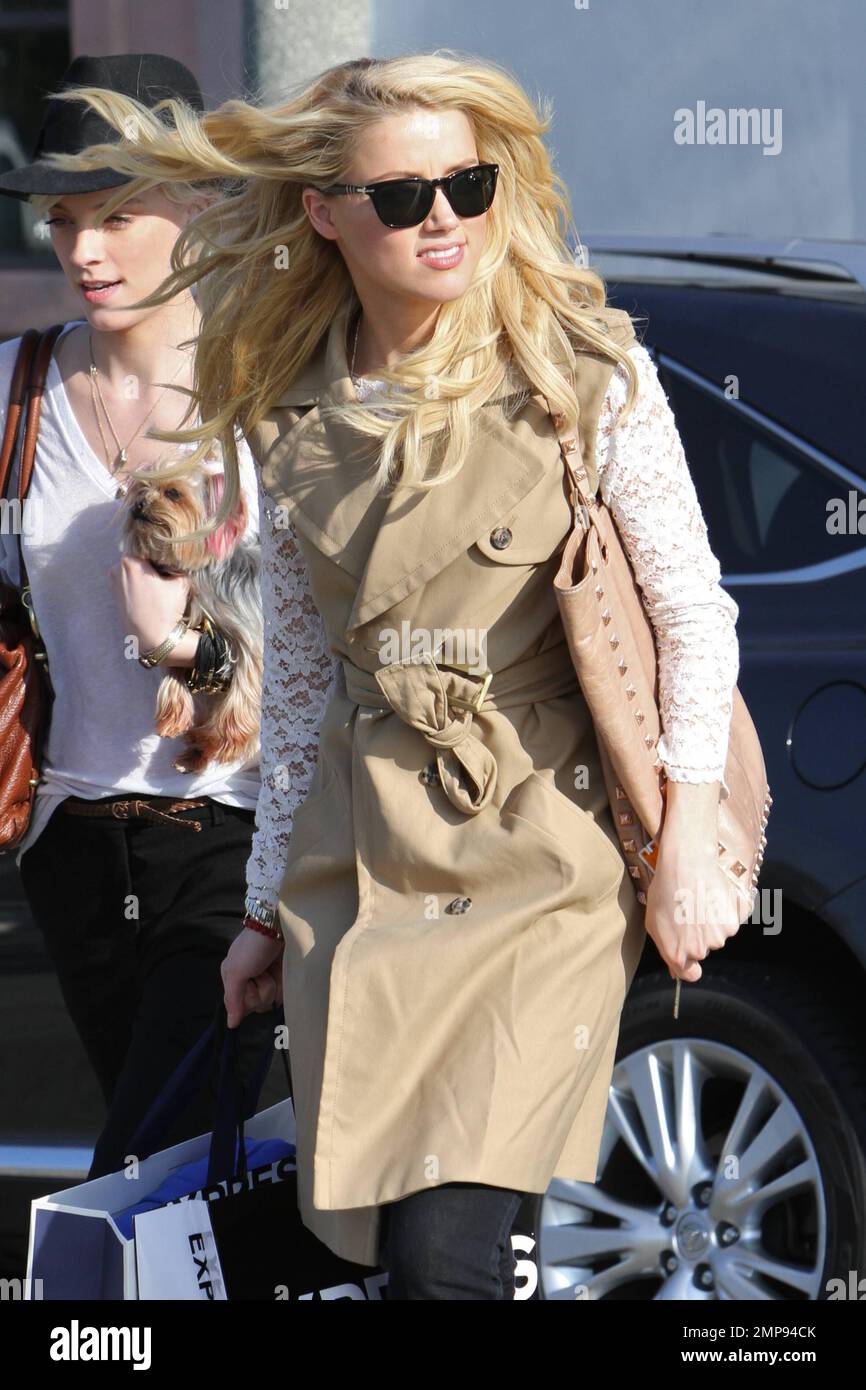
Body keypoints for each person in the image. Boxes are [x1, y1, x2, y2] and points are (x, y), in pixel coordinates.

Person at [53, 51, 743, 1299]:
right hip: (362, 859)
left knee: (449, 1257)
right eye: (403, 196)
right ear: (323, 212)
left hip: (541, 843)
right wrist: (265, 905)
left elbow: (692, 612)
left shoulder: (583, 374)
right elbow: (308, 676)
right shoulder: (293, 403)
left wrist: (686, 834)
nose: (443, 220)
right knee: (367, 1250)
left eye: (469, 186)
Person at [0, 53, 277, 1183]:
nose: (85, 251)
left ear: (196, 202)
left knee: (139, 1177)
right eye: (63, 220)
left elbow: (318, 638)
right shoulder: (16, 390)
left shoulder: (271, 394)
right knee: (166, 1189)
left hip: (232, 836)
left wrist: (188, 649)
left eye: (116, 212)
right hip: (71, 841)